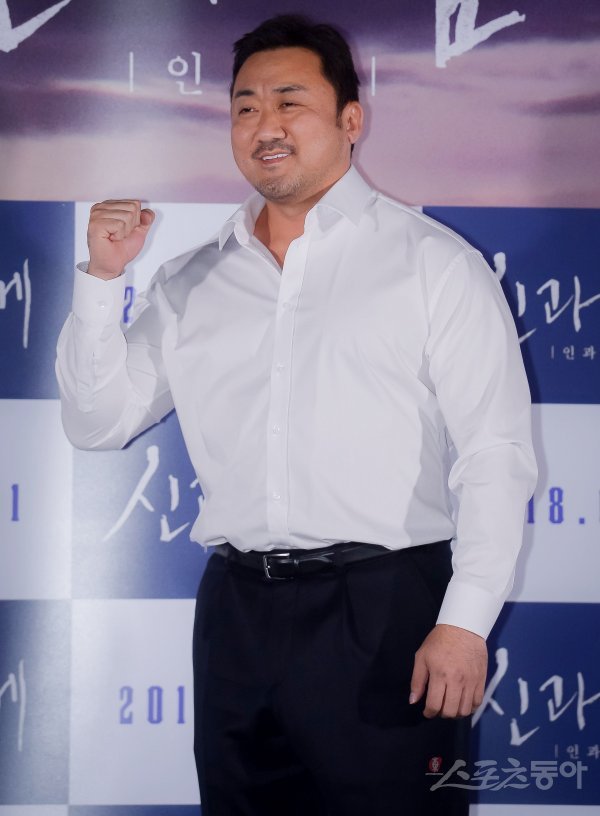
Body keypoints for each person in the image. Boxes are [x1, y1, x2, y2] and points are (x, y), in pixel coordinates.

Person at [56, 14, 537, 816]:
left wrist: (465, 622)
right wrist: (103, 280)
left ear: (352, 119)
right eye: (245, 107)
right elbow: (96, 422)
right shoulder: (190, 280)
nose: (264, 125)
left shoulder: (433, 264)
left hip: (384, 607)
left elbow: (494, 452)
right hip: (236, 612)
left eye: (289, 102)